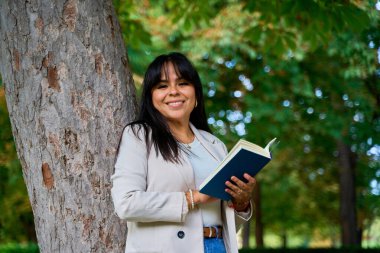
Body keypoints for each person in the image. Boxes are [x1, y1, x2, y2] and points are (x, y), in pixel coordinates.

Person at [111, 52, 256, 253]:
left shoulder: (214, 145)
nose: (173, 92)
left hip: (217, 246)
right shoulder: (139, 135)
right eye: (162, 86)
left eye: (182, 83)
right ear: (151, 97)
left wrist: (241, 204)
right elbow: (126, 203)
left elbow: (228, 222)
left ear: (195, 92)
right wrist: (193, 198)